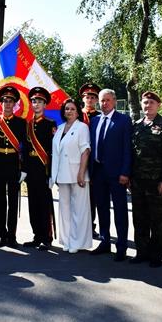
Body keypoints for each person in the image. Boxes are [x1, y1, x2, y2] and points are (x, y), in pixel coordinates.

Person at [130, 92, 162, 267]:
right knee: (140, 219)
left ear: (159, 105)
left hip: (157, 182)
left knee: (158, 220)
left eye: (151, 102)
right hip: (138, 181)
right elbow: (132, 154)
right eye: (145, 102)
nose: (147, 105)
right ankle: (141, 252)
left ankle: (157, 254)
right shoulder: (136, 125)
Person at [89, 89, 131, 260]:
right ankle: (105, 241)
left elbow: (128, 149)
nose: (104, 103)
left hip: (117, 174)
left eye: (107, 100)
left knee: (120, 210)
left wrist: (125, 172)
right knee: (102, 209)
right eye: (101, 100)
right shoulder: (94, 120)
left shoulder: (124, 120)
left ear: (114, 101)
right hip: (98, 172)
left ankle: (121, 246)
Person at [0, 85, 27, 248]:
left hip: (13, 164)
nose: (7, 104)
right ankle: (2, 235)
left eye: (10, 101)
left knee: (13, 202)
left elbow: (25, 147)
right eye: (5, 101)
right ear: (0, 103)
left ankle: (12, 235)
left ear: (15, 104)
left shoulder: (21, 122)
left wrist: (24, 169)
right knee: (0, 202)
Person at [51, 99, 92, 253]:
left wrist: (81, 173)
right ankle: (67, 240)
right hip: (62, 174)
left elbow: (85, 151)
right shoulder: (60, 128)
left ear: (77, 111)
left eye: (72, 109)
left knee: (79, 210)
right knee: (64, 209)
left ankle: (78, 242)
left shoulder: (82, 128)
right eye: (66, 108)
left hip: (77, 174)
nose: (69, 111)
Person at [23, 87, 57, 251]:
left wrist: (52, 173)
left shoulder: (50, 124)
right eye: (34, 101)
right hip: (31, 169)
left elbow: (53, 150)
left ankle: (46, 237)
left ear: (45, 105)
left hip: (44, 168)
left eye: (40, 102)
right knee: (33, 204)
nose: (36, 104)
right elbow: (24, 149)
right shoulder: (27, 124)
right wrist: (23, 169)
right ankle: (36, 235)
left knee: (44, 204)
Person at [79, 83, 101, 240]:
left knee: (93, 196)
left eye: (93, 97)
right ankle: (80, 226)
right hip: (78, 160)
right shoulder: (76, 114)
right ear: (83, 98)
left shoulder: (99, 116)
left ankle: (91, 227)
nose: (90, 99)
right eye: (88, 97)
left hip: (94, 161)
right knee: (79, 195)